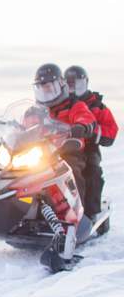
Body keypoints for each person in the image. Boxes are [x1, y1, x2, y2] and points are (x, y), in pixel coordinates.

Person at [32, 64, 97, 209]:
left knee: (71, 171)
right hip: (40, 154)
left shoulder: (75, 105)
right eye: (41, 88)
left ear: (61, 85)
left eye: (49, 87)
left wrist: (82, 126)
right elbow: (25, 127)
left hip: (67, 151)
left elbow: (86, 118)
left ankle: (78, 213)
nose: (46, 92)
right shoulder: (34, 111)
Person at [64, 65, 118, 227]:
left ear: (85, 83)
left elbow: (111, 131)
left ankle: (90, 212)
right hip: (63, 148)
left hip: (89, 148)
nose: (74, 89)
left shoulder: (97, 106)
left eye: (77, 85)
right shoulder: (61, 104)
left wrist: (91, 132)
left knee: (91, 172)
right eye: (70, 85)